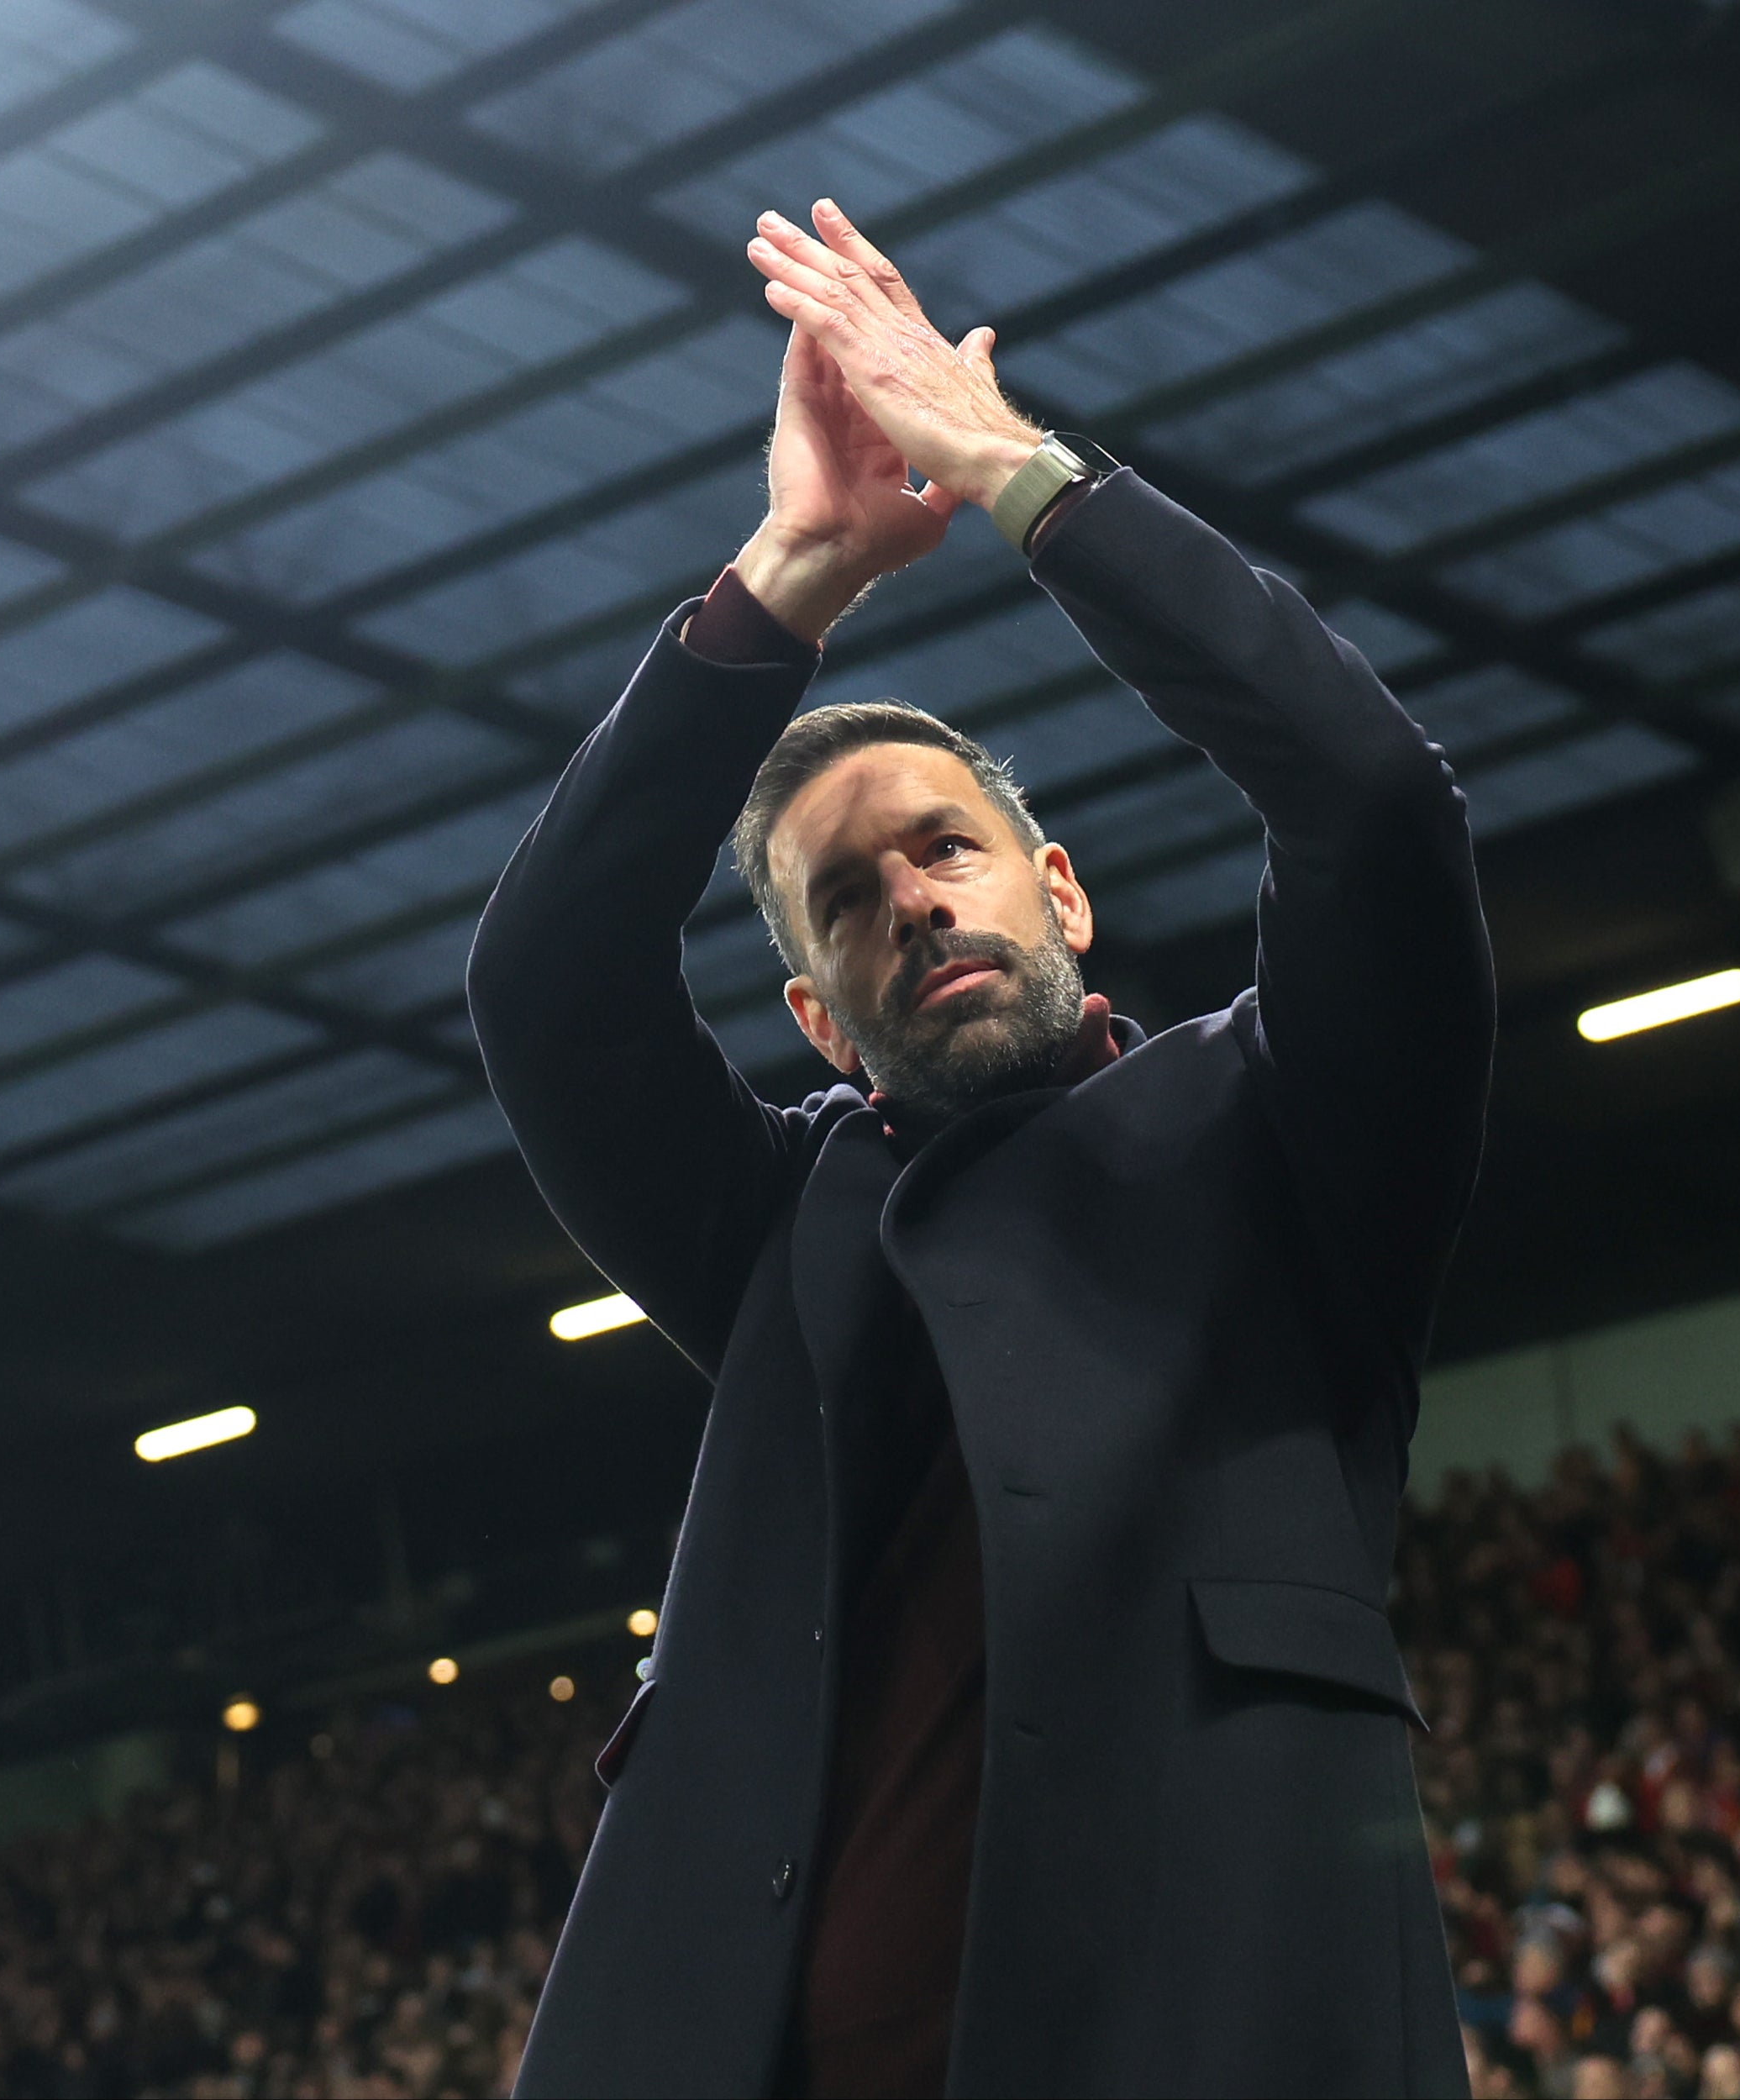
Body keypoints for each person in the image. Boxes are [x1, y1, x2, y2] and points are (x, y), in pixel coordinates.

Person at [467, 197, 1494, 2097]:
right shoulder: (781, 1225)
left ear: (1064, 891)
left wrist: (1019, 479)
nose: (914, 902)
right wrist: (789, 574)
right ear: (814, 1015)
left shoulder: (1284, 1134)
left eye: (947, 845)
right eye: (846, 899)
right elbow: (541, 986)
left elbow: (1370, 800)